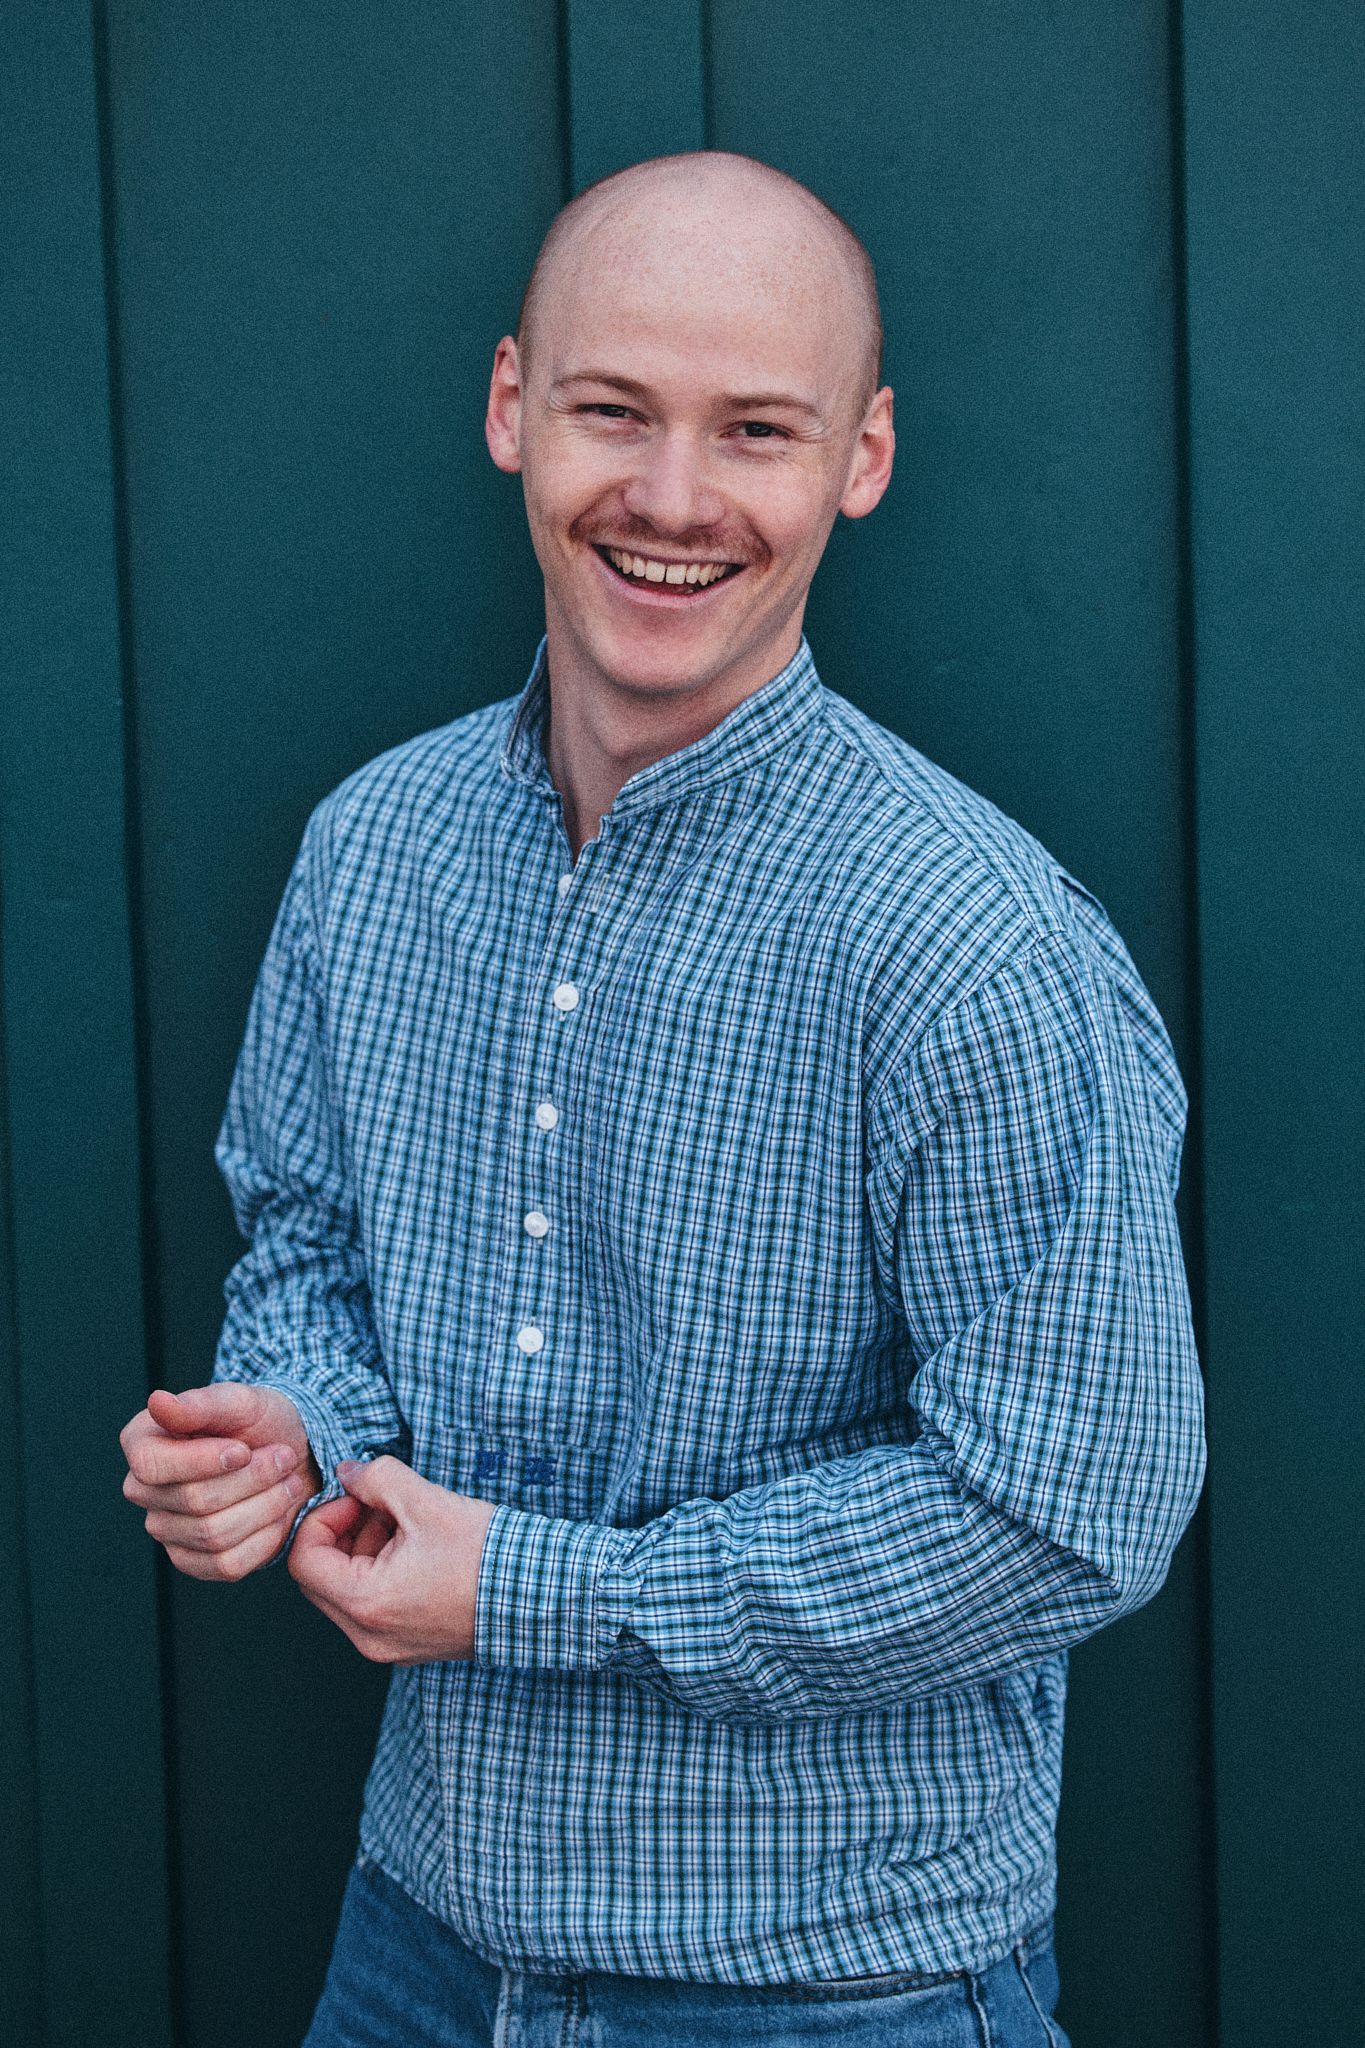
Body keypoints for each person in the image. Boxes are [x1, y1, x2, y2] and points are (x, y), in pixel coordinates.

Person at [118, 150, 1206, 2047]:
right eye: (612, 409)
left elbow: (1064, 1508)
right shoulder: (371, 850)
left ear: (859, 459)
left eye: (755, 430)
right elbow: (310, 1241)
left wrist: (535, 1593)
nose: (674, 498)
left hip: (837, 1993)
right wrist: (293, 1430)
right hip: (416, 1948)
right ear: (510, 409)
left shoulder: (972, 944)